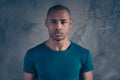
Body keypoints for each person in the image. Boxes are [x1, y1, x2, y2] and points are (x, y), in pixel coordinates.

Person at [23, 4, 94, 80]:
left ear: (70, 24)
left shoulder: (84, 54)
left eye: (63, 22)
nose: (58, 27)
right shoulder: (32, 55)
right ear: (46, 23)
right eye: (53, 22)